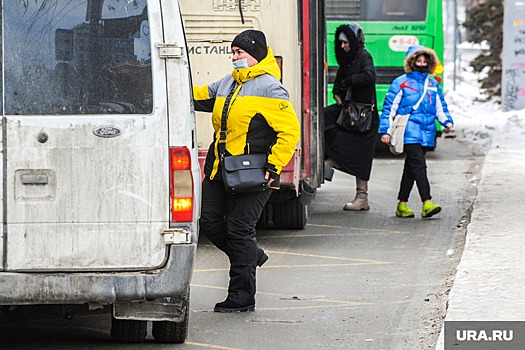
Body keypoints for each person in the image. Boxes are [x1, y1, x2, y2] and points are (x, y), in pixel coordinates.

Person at [192, 29, 300, 312]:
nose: (234, 57)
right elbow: (198, 96)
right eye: (233, 52)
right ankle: (251, 255)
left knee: (240, 230)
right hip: (219, 169)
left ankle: (241, 297)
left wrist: (274, 165)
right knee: (210, 221)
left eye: (240, 53)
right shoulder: (228, 82)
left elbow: (289, 131)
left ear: (256, 55)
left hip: (254, 173)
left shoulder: (270, 87)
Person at [379, 45, 454, 218]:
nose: (421, 64)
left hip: (427, 132)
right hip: (409, 130)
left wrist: (447, 122)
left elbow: (439, 107)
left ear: (430, 63)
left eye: (425, 61)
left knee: (411, 169)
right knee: (419, 166)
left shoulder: (432, 84)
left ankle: (402, 204)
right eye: (418, 61)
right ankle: (427, 202)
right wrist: (385, 131)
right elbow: (389, 108)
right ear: (411, 62)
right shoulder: (401, 82)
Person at [324, 23, 379, 211]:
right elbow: (339, 83)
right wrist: (338, 91)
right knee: (321, 122)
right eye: (340, 43)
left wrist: (348, 82)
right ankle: (324, 163)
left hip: (363, 116)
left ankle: (362, 197)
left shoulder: (363, 56)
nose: (342, 46)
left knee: (361, 156)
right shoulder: (348, 60)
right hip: (349, 112)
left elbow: (369, 76)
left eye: (345, 42)